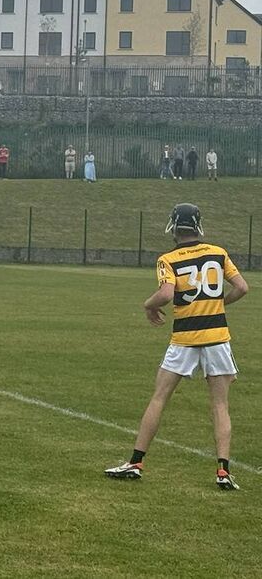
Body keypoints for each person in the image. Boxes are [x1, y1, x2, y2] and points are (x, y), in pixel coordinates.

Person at [104, 204, 248, 491]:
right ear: (198, 226)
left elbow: (167, 294)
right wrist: (218, 305)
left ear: (173, 227)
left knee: (160, 397)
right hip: (217, 337)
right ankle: (223, 470)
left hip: (184, 338)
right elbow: (242, 287)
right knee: (220, 404)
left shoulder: (168, 259)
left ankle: (136, 462)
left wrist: (147, 306)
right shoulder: (218, 253)